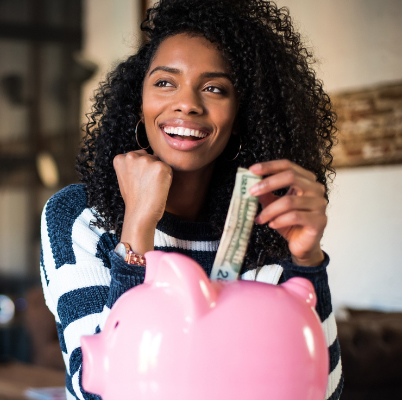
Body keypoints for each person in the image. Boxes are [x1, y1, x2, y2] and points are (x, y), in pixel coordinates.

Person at [38, 0, 342, 398]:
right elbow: (98, 390)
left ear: (241, 116)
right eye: (165, 82)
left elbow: (320, 391)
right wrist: (138, 225)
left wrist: (307, 263)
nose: (187, 103)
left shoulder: (267, 224)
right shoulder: (79, 216)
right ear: (139, 101)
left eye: (215, 88)